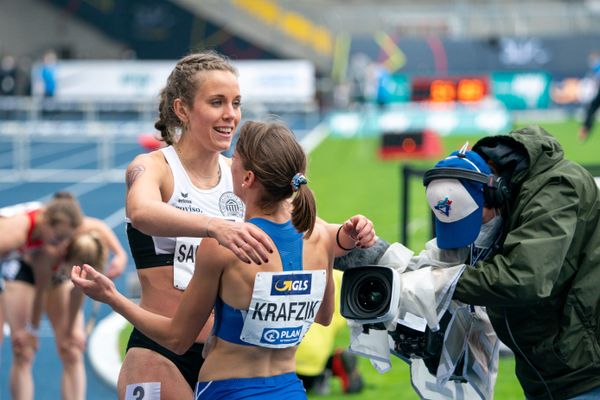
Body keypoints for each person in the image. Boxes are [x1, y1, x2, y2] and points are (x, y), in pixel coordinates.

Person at [72, 119, 376, 399]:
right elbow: (324, 316)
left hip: (229, 390)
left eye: (235, 157)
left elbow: (177, 339)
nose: (227, 162)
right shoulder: (319, 239)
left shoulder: (223, 247)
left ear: (247, 178)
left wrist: (111, 297)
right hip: (289, 389)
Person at [427, 126, 600, 400]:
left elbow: (524, 277)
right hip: (549, 374)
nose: (475, 236)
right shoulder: (511, 193)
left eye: (476, 222)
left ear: (495, 192)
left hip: (586, 375)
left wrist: (443, 282)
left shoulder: (556, 189)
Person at [0, 192, 83, 400]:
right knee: (23, 350)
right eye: (57, 239)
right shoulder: (15, 232)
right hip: (20, 271)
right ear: (45, 223)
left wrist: (118, 255)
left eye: (67, 240)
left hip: (50, 275)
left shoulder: (70, 225)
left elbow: (100, 228)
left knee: (72, 348)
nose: (63, 245)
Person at [579, 51, 600, 141]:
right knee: (592, 108)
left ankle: (585, 129)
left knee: (592, 108)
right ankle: (585, 129)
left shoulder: (597, 66)